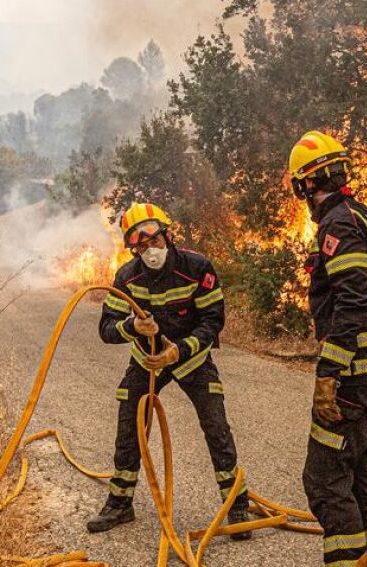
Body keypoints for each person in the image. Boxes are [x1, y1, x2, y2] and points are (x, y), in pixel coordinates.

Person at [86, 202, 251, 540]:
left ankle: (236, 506)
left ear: (168, 235)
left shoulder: (197, 267)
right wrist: (132, 326)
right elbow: (106, 329)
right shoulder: (127, 277)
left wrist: (180, 349)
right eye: (140, 245)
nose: (150, 250)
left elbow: (213, 321)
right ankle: (120, 502)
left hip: (191, 359)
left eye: (154, 240)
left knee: (215, 424)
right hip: (146, 361)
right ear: (133, 249)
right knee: (130, 420)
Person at [289, 131, 367, 566]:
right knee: (359, 468)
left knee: (323, 479)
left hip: (357, 377)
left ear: (305, 185)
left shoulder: (337, 226)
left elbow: (355, 300)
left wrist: (329, 372)